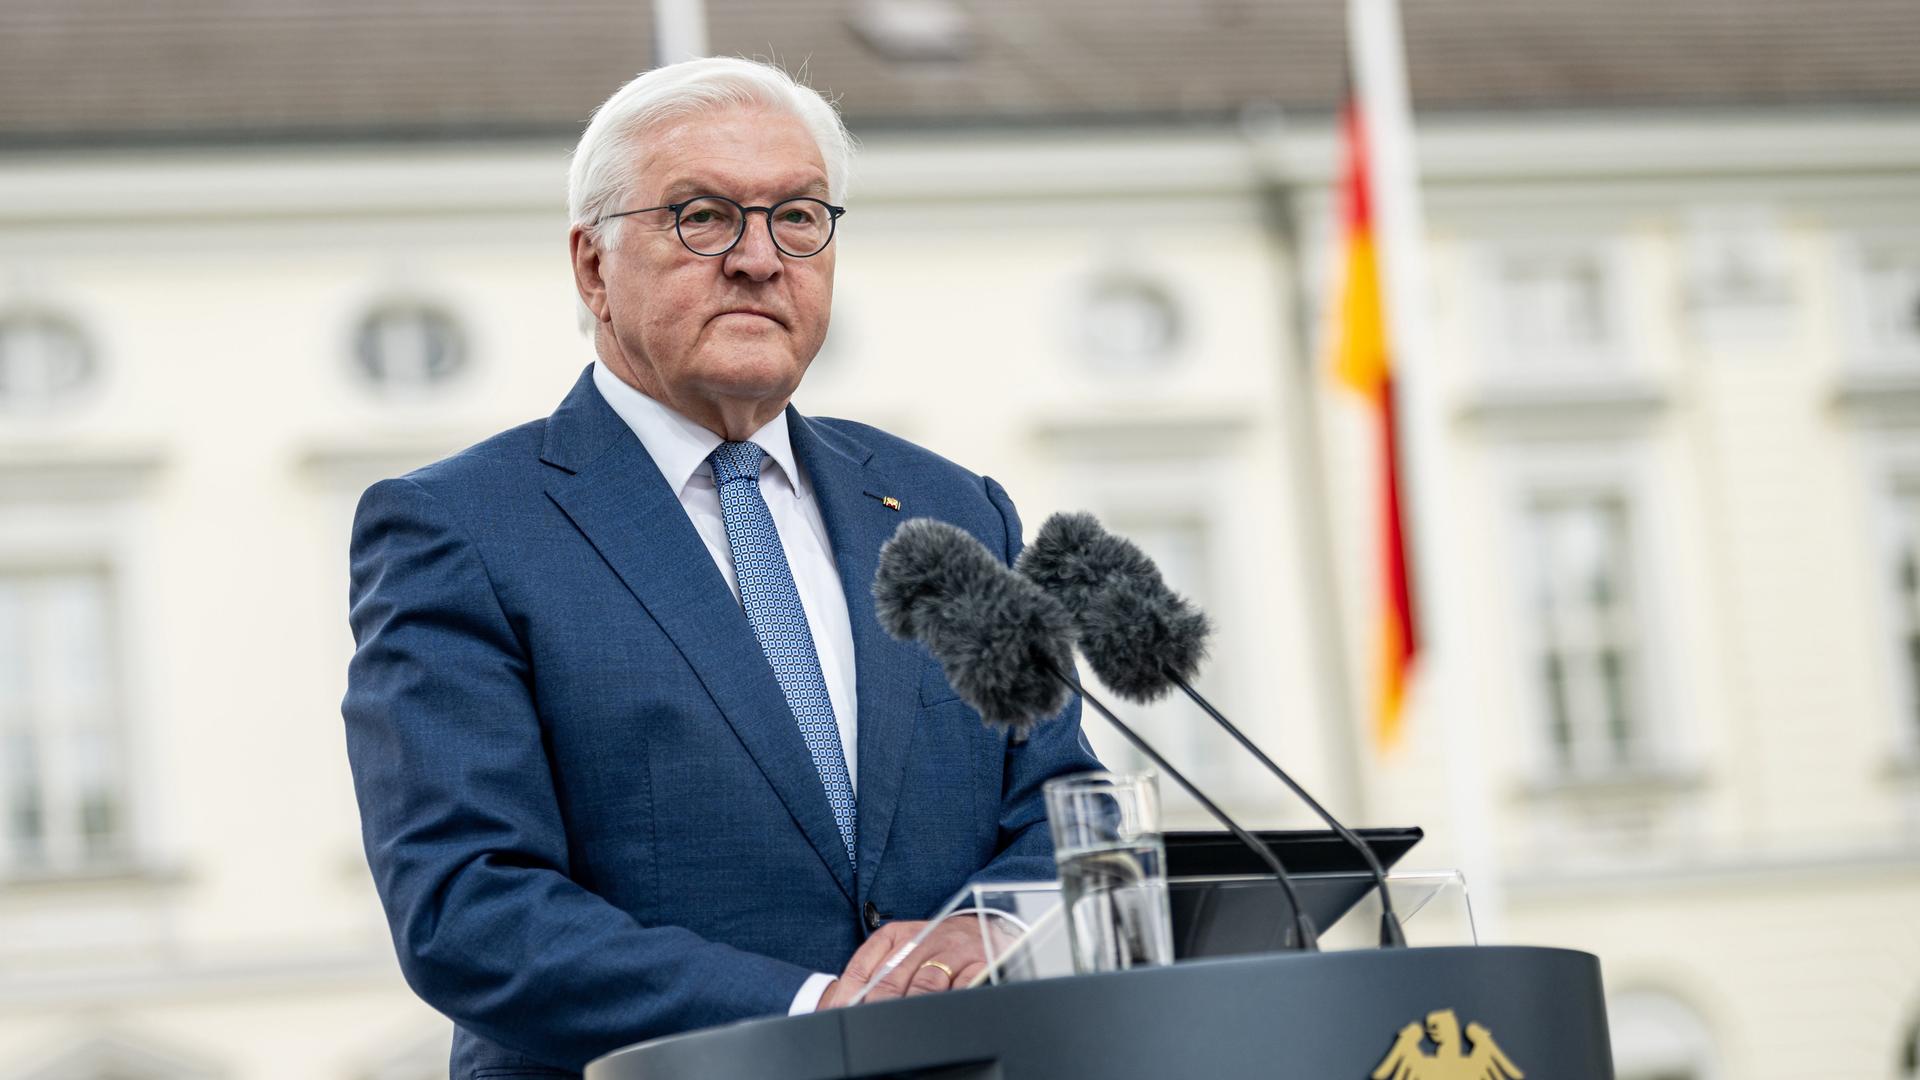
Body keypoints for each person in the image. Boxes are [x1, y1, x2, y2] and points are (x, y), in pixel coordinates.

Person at [341, 56, 1101, 1077]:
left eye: (797, 216)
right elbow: (467, 907)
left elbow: (1063, 810)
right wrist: (813, 1012)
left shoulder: (950, 510)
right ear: (592, 266)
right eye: (701, 216)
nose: (758, 257)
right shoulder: (459, 529)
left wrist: (992, 929)